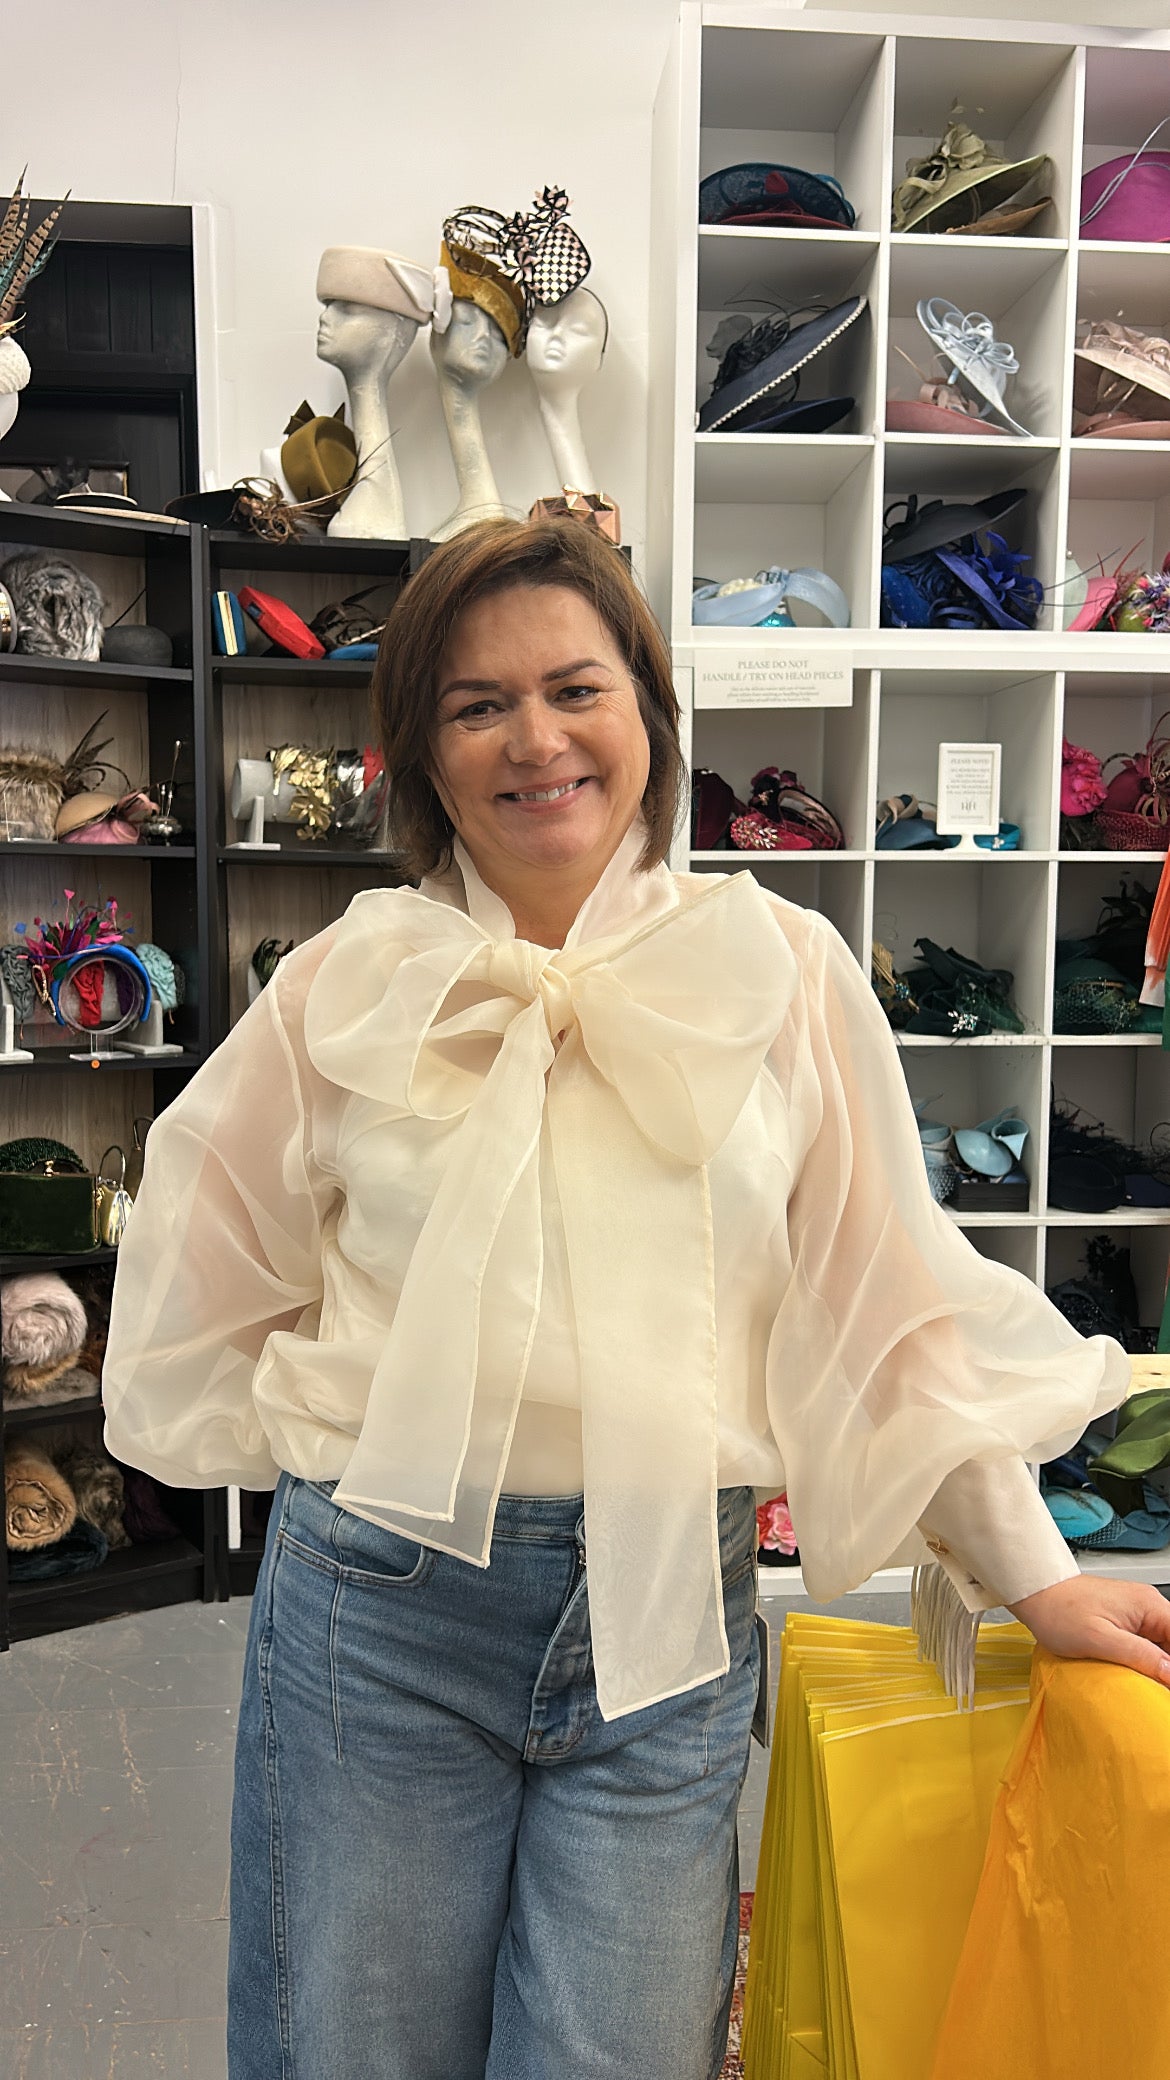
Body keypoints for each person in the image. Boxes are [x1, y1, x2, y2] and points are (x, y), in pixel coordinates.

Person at [102, 517, 1170, 2080]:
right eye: (476, 705)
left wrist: (1035, 1576)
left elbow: (882, 1300)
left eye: (574, 688)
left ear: (649, 713)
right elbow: (210, 1259)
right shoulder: (348, 980)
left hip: (665, 1626)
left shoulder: (780, 970)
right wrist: (345, 1434)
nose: (534, 739)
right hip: (379, 1622)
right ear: (421, 754)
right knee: (350, 2053)